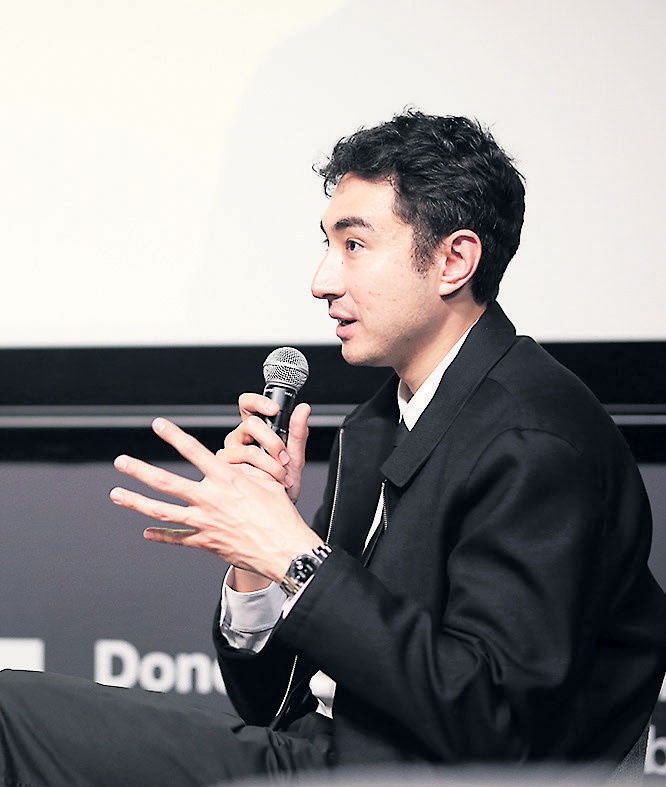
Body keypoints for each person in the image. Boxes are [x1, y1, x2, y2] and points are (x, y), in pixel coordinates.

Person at [1, 111, 665, 785]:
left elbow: (495, 727)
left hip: (386, 775)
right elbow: (271, 704)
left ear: (453, 261)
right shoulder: (377, 424)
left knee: (10, 713)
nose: (322, 281)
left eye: (353, 245)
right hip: (316, 756)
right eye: (327, 245)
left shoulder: (534, 439)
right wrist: (257, 566)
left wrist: (296, 556)